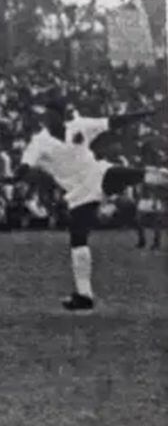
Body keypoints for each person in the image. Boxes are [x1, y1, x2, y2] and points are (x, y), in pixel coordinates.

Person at [12, 97, 167, 310]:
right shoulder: (39, 142)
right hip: (78, 194)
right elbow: (26, 163)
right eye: (44, 116)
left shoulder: (80, 125)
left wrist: (144, 114)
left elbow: (112, 122)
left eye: (50, 115)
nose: (46, 120)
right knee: (78, 239)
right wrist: (16, 176)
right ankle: (84, 296)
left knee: (135, 174)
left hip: (97, 174)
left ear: (61, 115)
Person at [133, 185, 163, 250]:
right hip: (145, 215)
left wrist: (155, 209)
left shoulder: (155, 200)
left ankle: (156, 243)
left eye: (149, 192)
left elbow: (158, 210)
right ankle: (142, 242)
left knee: (156, 226)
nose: (148, 193)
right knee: (139, 223)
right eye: (146, 192)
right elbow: (139, 210)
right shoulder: (142, 200)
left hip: (154, 215)